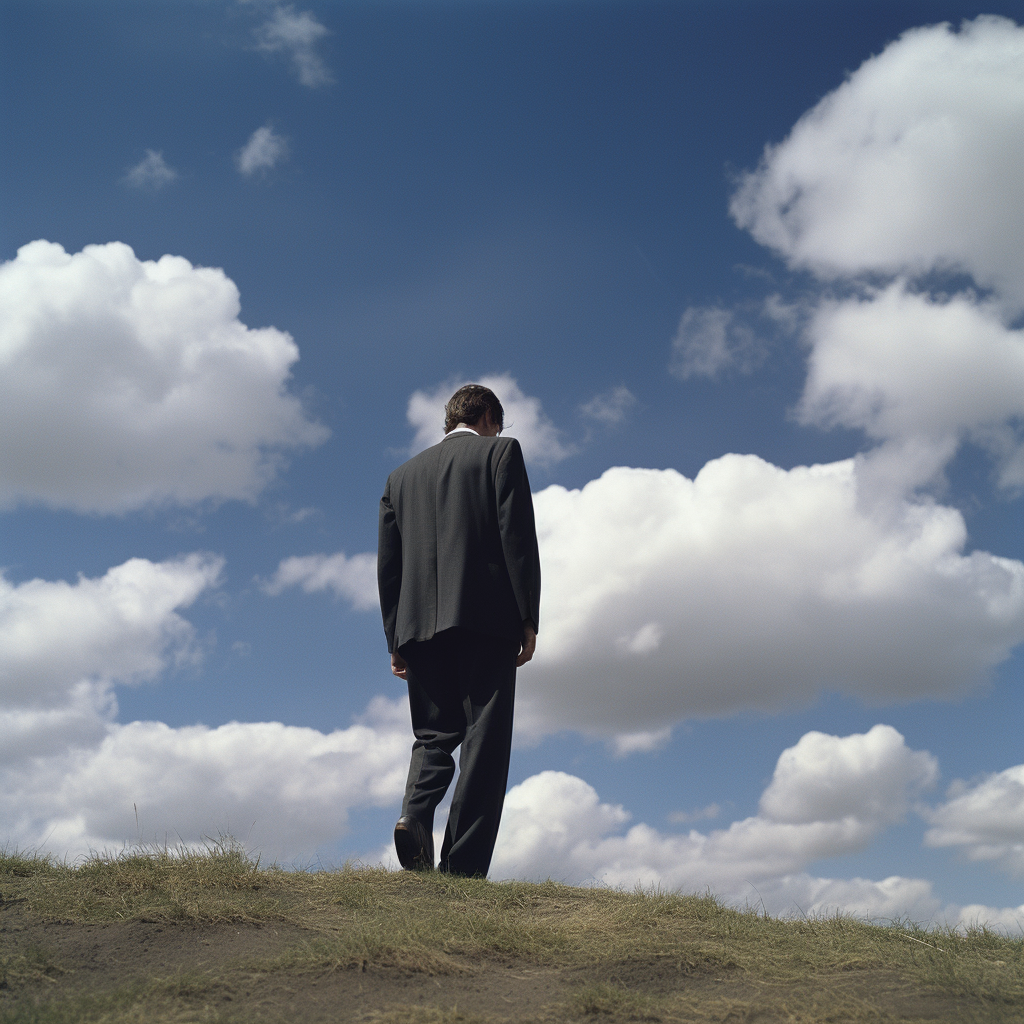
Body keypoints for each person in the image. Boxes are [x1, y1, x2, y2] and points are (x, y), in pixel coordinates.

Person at [377, 384, 541, 876]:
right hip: (484, 618)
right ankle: (462, 870)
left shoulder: (399, 477)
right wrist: (529, 617)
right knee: (483, 744)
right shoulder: (500, 453)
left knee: (433, 734)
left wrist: (395, 640)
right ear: (489, 416)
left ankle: (414, 815)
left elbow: (389, 566)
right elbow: (517, 537)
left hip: (416, 625)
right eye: (499, 423)